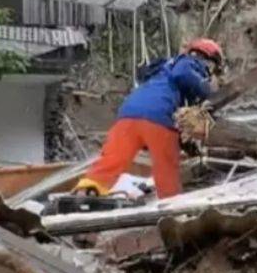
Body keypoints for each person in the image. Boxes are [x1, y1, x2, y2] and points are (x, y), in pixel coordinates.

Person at [75, 38, 223, 199]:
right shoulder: (190, 63)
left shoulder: (162, 70)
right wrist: (207, 92)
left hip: (128, 114)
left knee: (112, 159)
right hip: (158, 116)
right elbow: (183, 75)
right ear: (208, 59)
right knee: (166, 167)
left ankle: (88, 188)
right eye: (213, 68)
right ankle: (171, 205)